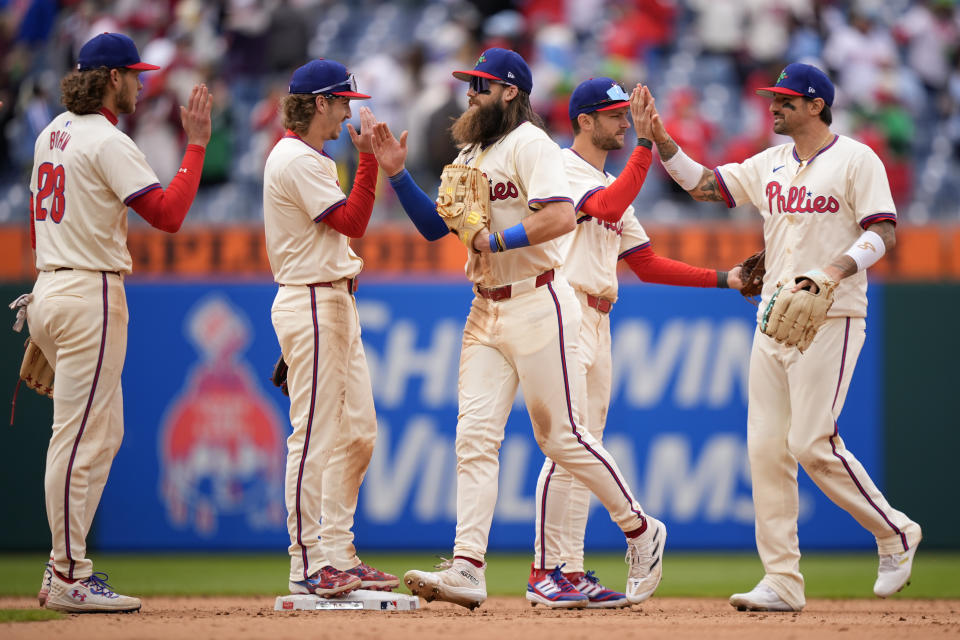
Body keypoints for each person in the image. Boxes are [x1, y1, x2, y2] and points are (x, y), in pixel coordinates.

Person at [369, 48, 666, 610]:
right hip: (484, 308)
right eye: (469, 83)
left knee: (563, 438)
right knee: (473, 438)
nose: (470, 93)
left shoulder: (531, 143)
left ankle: (640, 528)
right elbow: (438, 227)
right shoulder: (472, 151)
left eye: (480, 84)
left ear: (510, 90)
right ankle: (467, 567)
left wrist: (494, 241)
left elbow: (558, 216)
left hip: (538, 301)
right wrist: (398, 175)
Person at [642, 62, 922, 612]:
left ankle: (894, 531)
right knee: (766, 450)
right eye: (774, 98)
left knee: (810, 444)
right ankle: (782, 581)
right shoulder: (770, 162)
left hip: (831, 316)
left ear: (817, 105)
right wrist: (661, 140)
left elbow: (884, 229)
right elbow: (705, 186)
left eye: (786, 100)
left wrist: (834, 271)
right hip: (773, 319)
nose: (774, 107)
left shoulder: (855, 158)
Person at [527, 78, 747, 609]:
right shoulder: (563, 169)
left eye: (629, 115)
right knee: (568, 442)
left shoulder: (608, 178)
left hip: (600, 319)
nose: (626, 123)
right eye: (615, 115)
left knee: (584, 448)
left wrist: (727, 279)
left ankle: (571, 570)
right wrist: (648, 146)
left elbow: (646, 264)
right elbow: (604, 207)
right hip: (567, 310)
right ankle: (547, 567)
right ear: (584, 121)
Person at [27, 32, 212, 613]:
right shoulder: (106, 139)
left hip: (50, 285)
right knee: (80, 437)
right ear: (111, 78)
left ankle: (70, 565)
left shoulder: (48, 133)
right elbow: (169, 214)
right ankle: (66, 572)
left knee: (100, 434)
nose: (140, 83)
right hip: (88, 292)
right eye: (133, 74)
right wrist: (197, 146)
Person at [263, 58, 398, 598]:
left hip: (334, 302)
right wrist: (368, 162)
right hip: (312, 302)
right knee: (314, 436)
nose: (349, 111)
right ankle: (306, 562)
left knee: (359, 432)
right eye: (343, 102)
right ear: (319, 103)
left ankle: (337, 551)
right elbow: (354, 223)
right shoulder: (296, 158)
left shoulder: (311, 157)